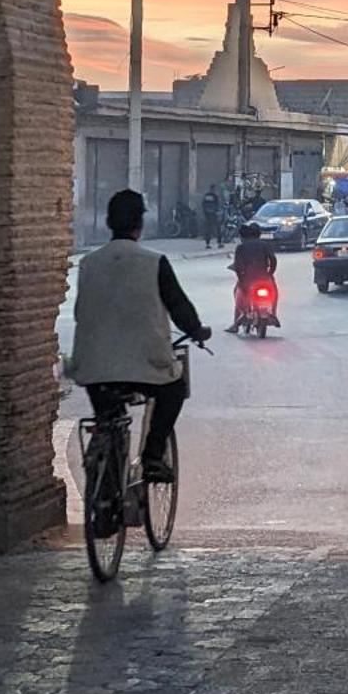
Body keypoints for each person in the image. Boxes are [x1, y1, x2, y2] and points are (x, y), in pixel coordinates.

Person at [67, 188, 210, 481]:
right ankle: (153, 456)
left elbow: (82, 312)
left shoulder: (88, 263)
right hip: (144, 368)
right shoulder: (153, 262)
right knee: (173, 390)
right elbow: (179, 308)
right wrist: (196, 331)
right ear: (139, 224)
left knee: (107, 416)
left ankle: (103, 484)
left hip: (94, 367)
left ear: (109, 222)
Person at [226, 222, 279, 332]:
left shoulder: (240, 248)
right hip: (265, 278)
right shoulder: (265, 245)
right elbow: (273, 260)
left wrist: (241, 280)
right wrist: (270, 273)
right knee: (275, 293)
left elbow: (238, 266)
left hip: (248, 279)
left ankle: (236, 324)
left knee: (238, 295)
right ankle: (273, 312)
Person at [201, 184, 222, 249]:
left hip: (207, 214)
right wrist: (218, 212)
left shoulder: (206, 195)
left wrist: (205, 212)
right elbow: (218, 205)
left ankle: (208, 244)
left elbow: (203, 204)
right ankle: (219, 243)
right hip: (214, 214)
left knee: (208, 229)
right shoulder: (215, 196)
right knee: (218, 229)